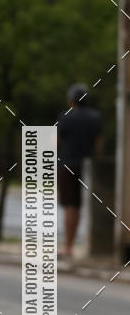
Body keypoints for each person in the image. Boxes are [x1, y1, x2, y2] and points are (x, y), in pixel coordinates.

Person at [57, 83, 102, 258]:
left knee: (70, 207)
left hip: (68, 163)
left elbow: (57, 140)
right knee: (85, 206)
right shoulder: (95, 117)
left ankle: (68, 247)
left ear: (71, 101)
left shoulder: (66, 117)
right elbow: (98, 142)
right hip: (88, 166)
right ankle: (88, 245)